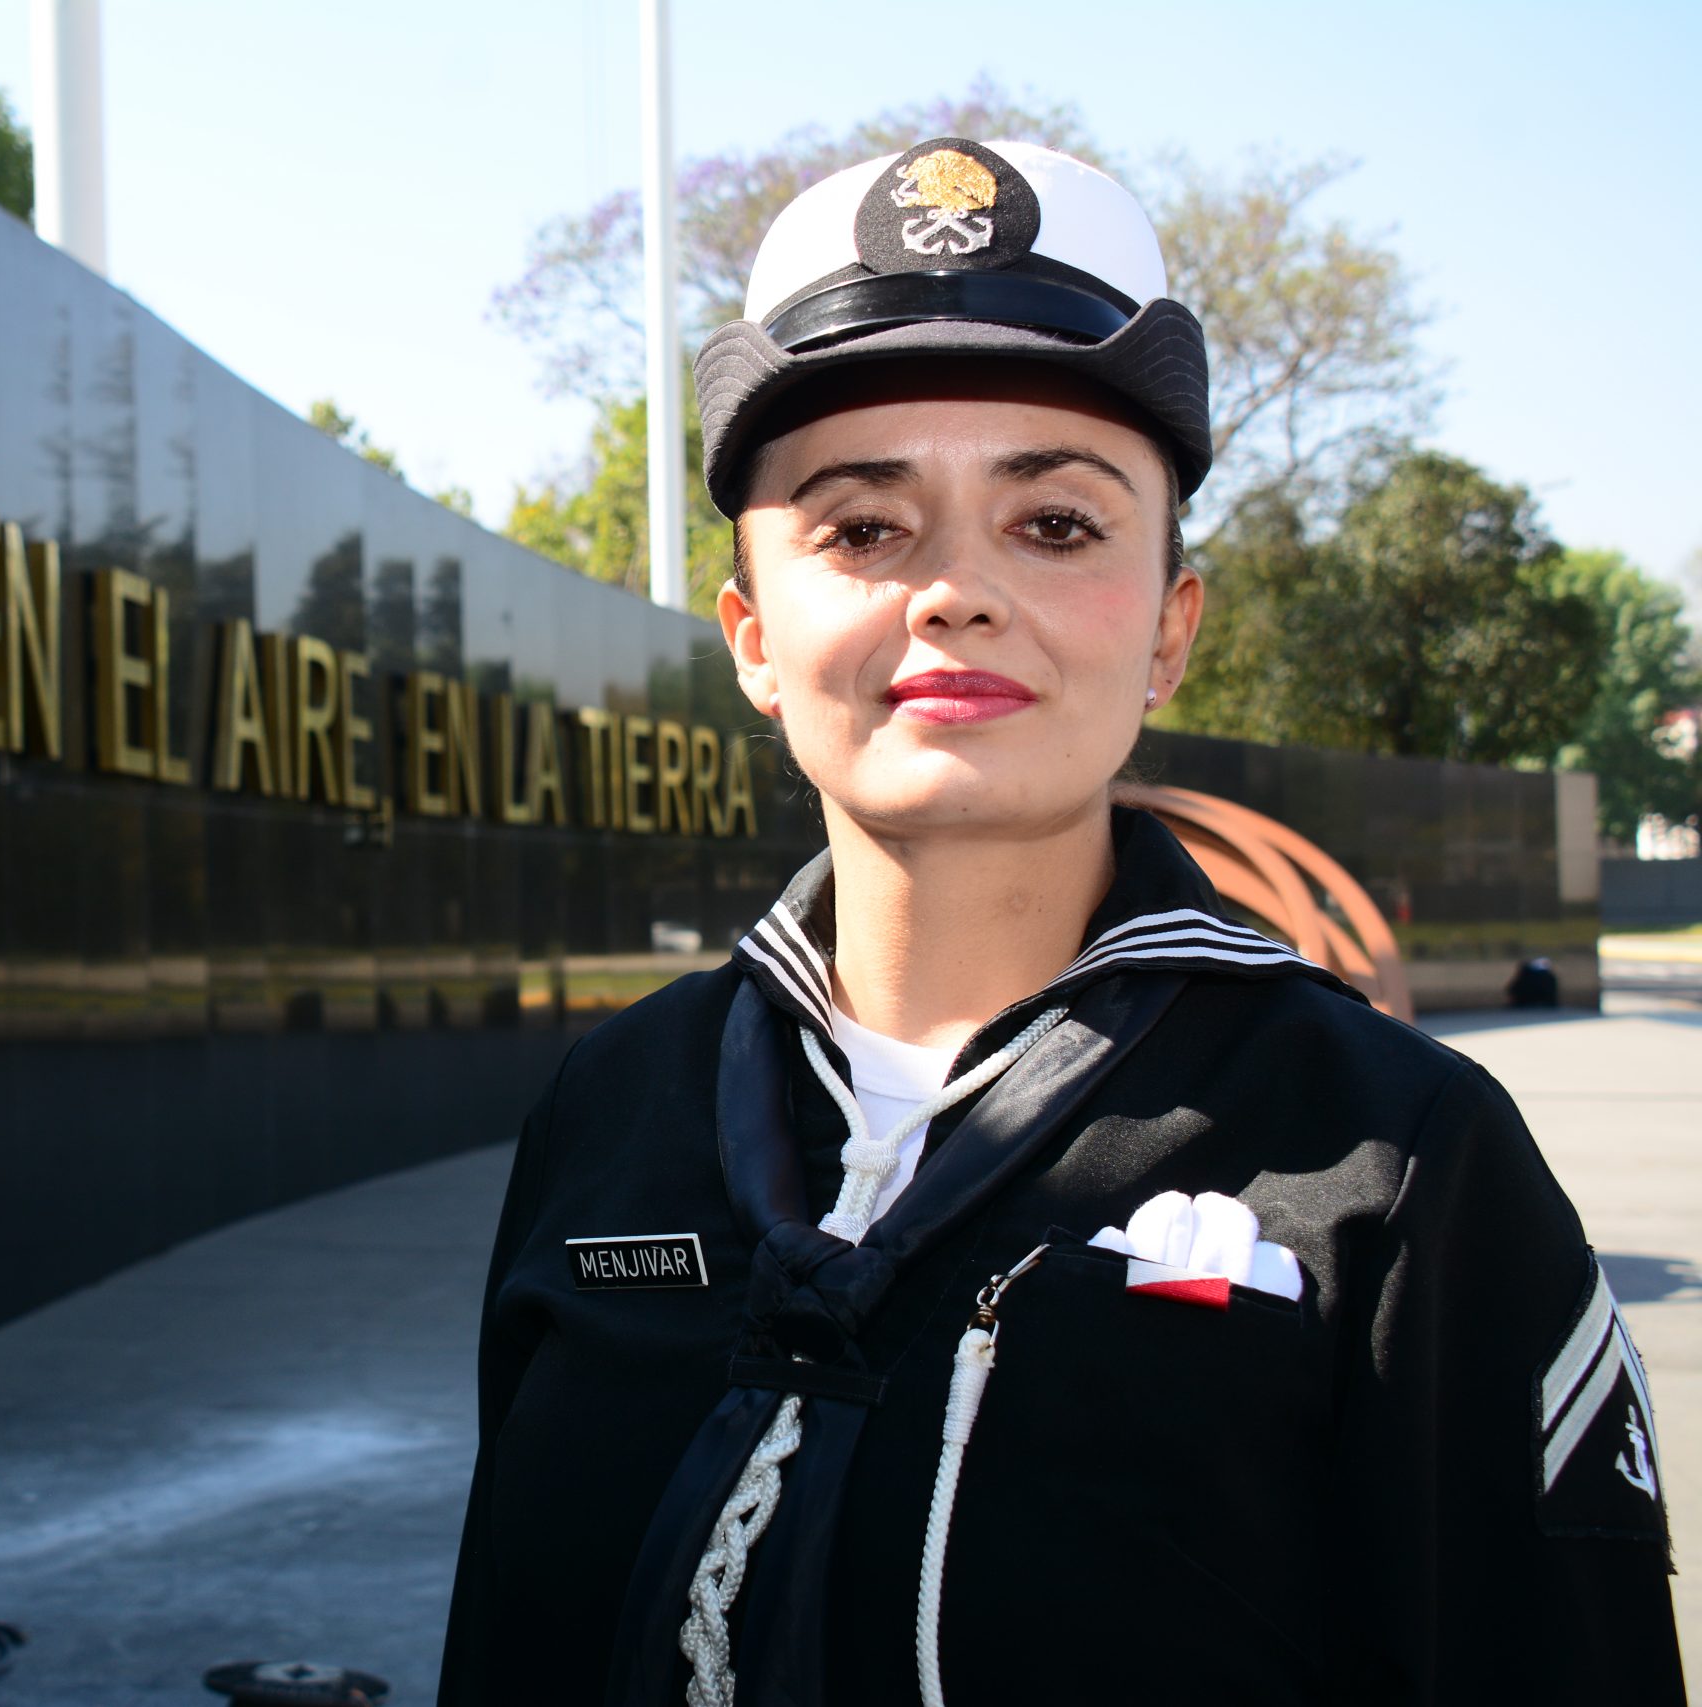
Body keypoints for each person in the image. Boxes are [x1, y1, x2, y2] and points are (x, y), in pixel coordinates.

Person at [438, 137, 1681, 1705]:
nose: (955, 590)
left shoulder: (1395, 1159)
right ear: (753, 638)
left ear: (1170, 630)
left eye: (1058, 524)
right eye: (864, 528)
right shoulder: (611, 1113)